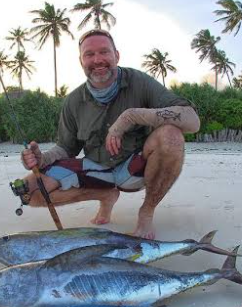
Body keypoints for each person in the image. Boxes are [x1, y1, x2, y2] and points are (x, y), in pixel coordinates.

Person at [21, 29, 200, 239]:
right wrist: (41, 159)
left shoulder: (140, 82)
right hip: (96, 170)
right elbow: (66, 148)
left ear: (117, 55)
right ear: (81, 61)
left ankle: (147, 211)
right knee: (28, 191)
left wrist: (131, 116)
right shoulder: (73, 101)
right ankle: (105, 195)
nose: (97, 60)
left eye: (104, 52)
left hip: (134, 168)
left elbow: (191, 120)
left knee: (171, 136)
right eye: (89, 54)